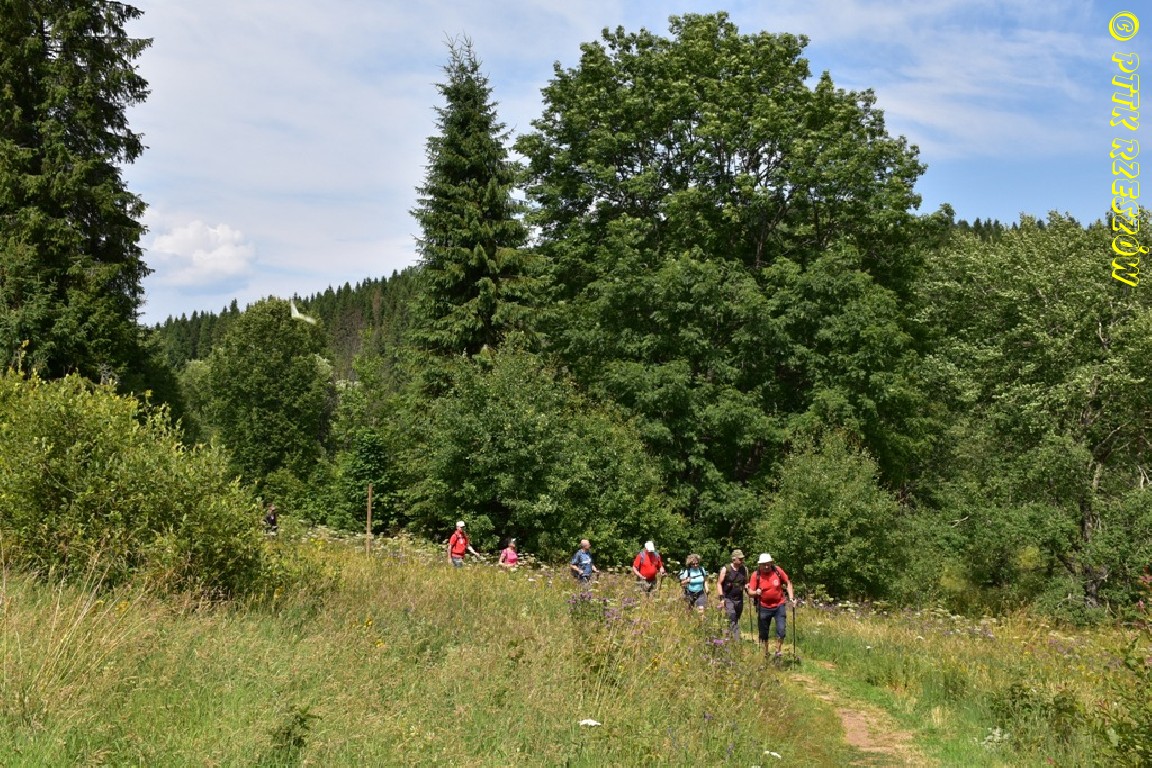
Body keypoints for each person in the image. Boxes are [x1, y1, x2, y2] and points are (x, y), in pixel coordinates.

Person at [748, 553, 794, 657]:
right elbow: (750, 592)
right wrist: (756, 592)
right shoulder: (756, 575)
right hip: (763, 606)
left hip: (779, 605)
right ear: (760, 565)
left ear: (771, 563)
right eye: (764, 564)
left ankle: (778, 652)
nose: (766, 566)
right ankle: (765, 653)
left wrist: (791, 598)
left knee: (781, 631)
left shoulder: (777, 571)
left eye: (768, 564)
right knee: (763, 633)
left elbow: (788, 582)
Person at [716, 549, 749, 641]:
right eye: (740, 559)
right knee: (732, 617)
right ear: (734, 559)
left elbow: (746, 582)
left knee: (736, 619)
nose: (742, 560)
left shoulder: (744, 569)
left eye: (742, 558)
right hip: (728, 598)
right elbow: (719, 583)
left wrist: (748, 589)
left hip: (739, 599)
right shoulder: (726, 569)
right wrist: (722, 598)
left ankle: (728, 636)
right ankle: (736, 641)